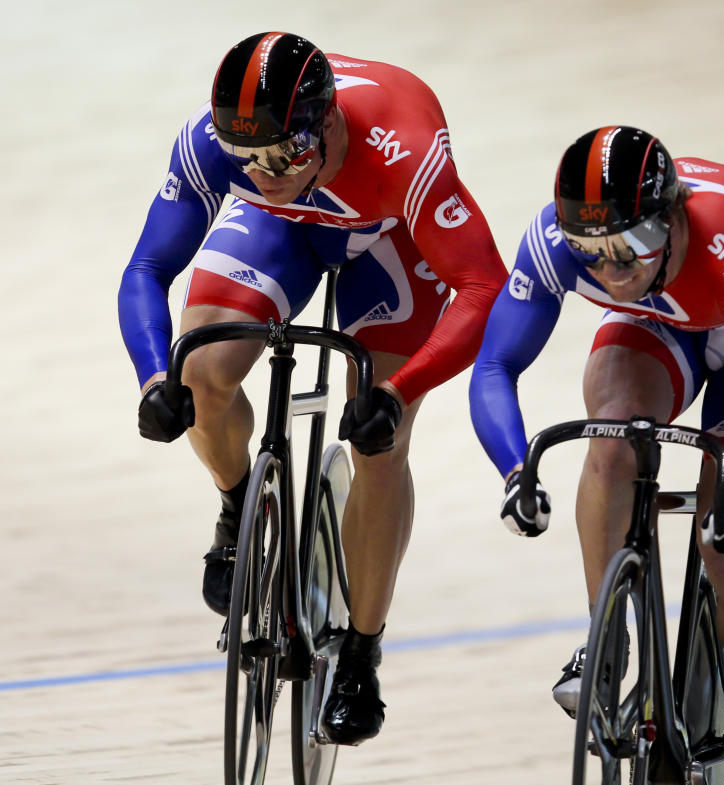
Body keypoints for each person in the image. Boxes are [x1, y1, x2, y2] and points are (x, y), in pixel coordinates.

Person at [119, 31, 507, 746]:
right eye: (250, 160)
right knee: (199, 368)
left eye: (286, 155)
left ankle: (360, 651)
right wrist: (152, 376)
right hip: (284, 229)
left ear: (330, 123)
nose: (266, 173)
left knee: (380, 444)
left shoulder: (405, 151)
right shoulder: (217, 144)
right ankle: (240, 505)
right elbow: (148, 266)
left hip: (386, 239)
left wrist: (398, 392)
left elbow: (484, 286)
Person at [469, 126, 724, 784]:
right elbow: (496, 363)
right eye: (594, 253)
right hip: (661, 316)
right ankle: (606, 641)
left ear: (672, 219)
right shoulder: (561, 245)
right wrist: (512, 469)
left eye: (632, 248)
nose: (613, 272)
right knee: (611, 441)